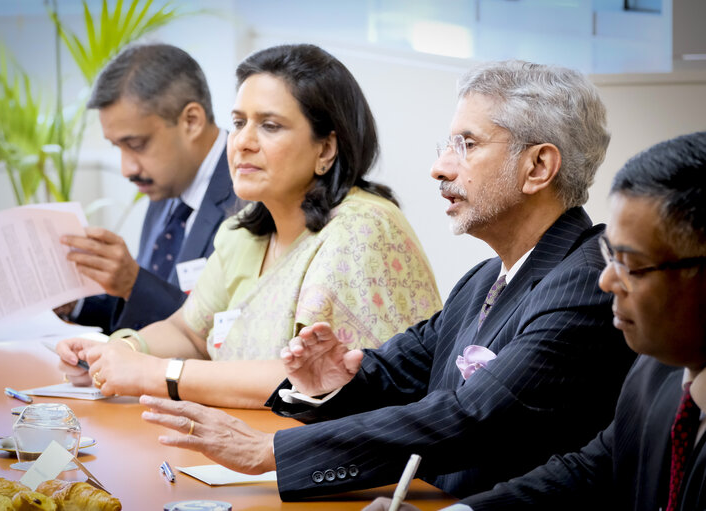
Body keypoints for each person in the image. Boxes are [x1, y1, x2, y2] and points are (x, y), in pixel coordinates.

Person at [138, 60, 638, 500]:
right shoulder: (487, 275)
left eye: (467, 145)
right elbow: (394, 369)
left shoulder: (586, 283)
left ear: (538, 167)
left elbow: (469, 416)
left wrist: (269, 450)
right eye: (448, 145)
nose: (439, 168)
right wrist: (328, 384)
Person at [56, 44, 442, 409]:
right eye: (239, 122)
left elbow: (310, 380)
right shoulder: (243, 231)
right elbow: (189, 332)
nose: (242, 142)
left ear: (325, 149)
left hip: (343, 463)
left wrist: (159, 373)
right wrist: (120, 351)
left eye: (270, 126)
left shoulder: (363, 231)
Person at [366, 131, 706, 511]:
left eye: (632, 264)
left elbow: (472, 417)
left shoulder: (578, 286)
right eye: (611, 256)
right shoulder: (656, 372)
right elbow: (591, 471)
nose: (607, 280)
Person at [54, 43, 237, 333]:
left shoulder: (252, 197)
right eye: (118, 147)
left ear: (192, 121)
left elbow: (224, 335)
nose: (127, 169)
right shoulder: (165, 187)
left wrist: (133, 282)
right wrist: (76, 304)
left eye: (137, 145)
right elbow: (143, 308)